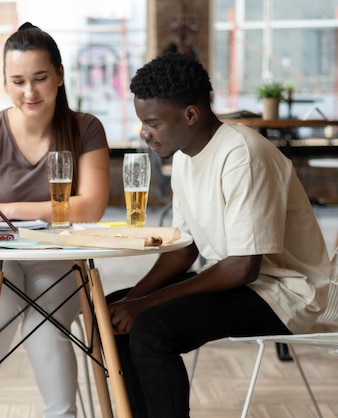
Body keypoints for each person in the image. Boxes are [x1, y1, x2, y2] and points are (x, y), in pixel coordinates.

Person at [106, 52, 330, 418]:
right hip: (240, 282)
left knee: (151, 327)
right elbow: (185, 249)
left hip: (285, 292)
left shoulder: (243, 154)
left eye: (152, 123)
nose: (143, 133)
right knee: (113, 311)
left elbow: (244, 267)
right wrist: (134, 296)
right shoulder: (182, 156)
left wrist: (145, 305)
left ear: (190, 114)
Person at [0, 22, 110, 418]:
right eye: (17, 81)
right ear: (4, 82)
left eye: (40, 78)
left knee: (46, 316)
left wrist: (9, 209)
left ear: (60, 76)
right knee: (0, 296)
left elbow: (91, 207)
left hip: (58, 254)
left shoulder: (85, 128)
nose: (29, 92)